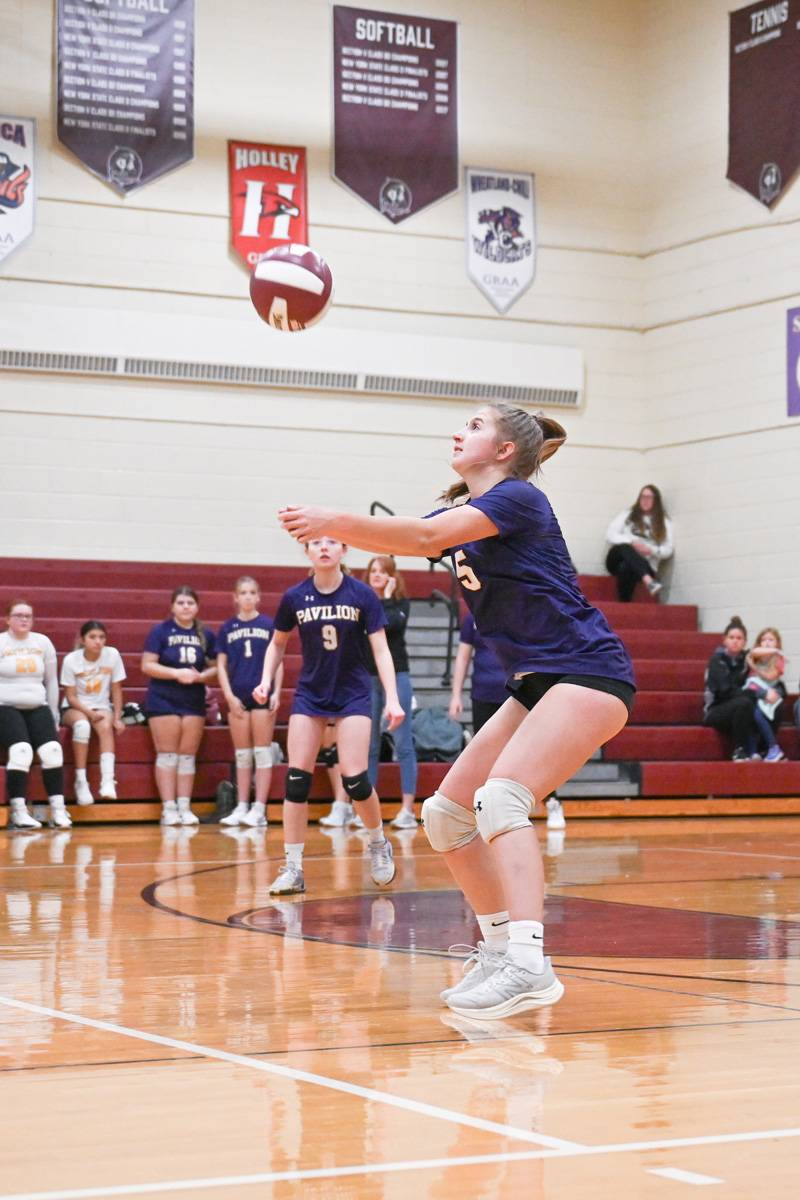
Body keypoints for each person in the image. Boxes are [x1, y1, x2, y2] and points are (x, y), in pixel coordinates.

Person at [275, 403, 635, 1019]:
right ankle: (497, 948)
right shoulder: (460, 512)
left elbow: (421, 538)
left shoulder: (520, 498)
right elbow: (418, 532)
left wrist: (330, 519)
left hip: (588, 671)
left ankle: (528, 961)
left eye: (474, 425)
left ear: (503, 450)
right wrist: (345, 535)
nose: (458, 431)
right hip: (539, 681)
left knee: (501, 799)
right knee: (445, 816)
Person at [253, 537, 403, 895]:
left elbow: (381, 650)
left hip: (352, 694)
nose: (324, 548)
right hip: (311, 695)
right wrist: (265, 682)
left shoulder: (362, 595)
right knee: (296, 780)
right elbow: (277, 643)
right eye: (316, 543)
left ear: (344, 550)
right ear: (306, 552)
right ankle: (293, 867)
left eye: (332, 542)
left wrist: (393, 699)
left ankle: (379, 843)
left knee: (354, 779)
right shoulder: (295, 597)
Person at [449, 612, 565, 832]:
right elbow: (463, 656)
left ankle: (552, 802)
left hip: (518, 693)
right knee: (486, 755)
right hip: (482, 693)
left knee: (532, 752)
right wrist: (455, 694)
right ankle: (489, 811)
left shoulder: (515, 609)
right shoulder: (472, 617)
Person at [141, 586, 217, 826]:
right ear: (172, 606)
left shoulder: (205, 633)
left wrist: (201, 677)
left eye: (190, 603)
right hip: (163, 697)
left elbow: (217, 668)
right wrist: (176, 673)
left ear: (197, 607)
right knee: (167, 754)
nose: (186, 607)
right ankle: (169, 808)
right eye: (181, 602)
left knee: (187, 756)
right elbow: (148, 665)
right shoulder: (160, 631)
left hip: (193, 699)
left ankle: (184, 806)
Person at [215, 576, 283, 827]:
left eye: (252, 592)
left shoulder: (268, 625)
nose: (247, 596)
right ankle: (242, 806)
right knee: (242, 755)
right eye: (242, 592)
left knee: (262, 754)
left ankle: (259, 808)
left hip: (263, 695)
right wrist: (229, 696)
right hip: (238, 697)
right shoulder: (227, 628)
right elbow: (221, 666)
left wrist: (277, 693)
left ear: (258, 597)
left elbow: (278, 660)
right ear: (235, 597)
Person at [0, 599, 70, 829]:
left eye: (28, 616)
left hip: (37, 705)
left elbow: (51, 681)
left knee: (52, 750)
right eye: (18, 615)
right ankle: (19, 811)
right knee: (22, 751)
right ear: (8, 619)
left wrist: (53, 712)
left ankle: (58, 810)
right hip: (5, 706)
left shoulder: (43, 642)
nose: (23, 620)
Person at [364, 555, 419, 830]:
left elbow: (389, 626)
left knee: (403, 744)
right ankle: (368, 812)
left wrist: (386, 597)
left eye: (382, 571)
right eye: (373, 570)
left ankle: (407, 810)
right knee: (370, 746)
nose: (376, 575)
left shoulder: (400, 604)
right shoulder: (362, 603)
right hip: (369, 678)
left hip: (397, 677)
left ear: (391, 576)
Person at [61, 620, 126, 805]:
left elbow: (116, 689)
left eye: (101, 637)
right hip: (75, 707)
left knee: (106, 726)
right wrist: (89, 713)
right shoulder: (71, 660)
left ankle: (107, 780)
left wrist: (118, 717)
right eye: (92, 637)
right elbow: (71, 697)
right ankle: (81, 782)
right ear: (82, 640)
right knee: (82, 726)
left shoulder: (112, 655)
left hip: (102, 706)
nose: (98, 641)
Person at [702, 615, 760, 761]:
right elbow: (725, 691)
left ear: (745, 642)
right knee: (745, 702)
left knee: (762, 704)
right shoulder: (716, 660)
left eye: (739, 638)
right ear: (725, 640)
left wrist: (753, 666)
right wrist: (749, 693)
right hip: (715, 710)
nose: (735, 641)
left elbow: (768, 667)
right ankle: (739, 750)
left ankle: (763, 748)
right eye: (732, 637)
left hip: (737, 705)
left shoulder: (746, 660)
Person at [605, 484, 674, 601]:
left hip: (646, 565)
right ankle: (649, 581)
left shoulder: (664, 522)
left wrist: (651, 550)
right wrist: (632, 542)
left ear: (656, 500)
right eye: (643, 497)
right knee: (624, 547)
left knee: (625, 568)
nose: (645, 500)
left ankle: (624, 605)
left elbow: (668, 549)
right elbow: (610, 534)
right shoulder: (628, 514)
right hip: (617, 558)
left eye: (649, 497)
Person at [744, 627, 787, 762]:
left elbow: (770, 677)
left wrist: (755, 668)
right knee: (749, 708)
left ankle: (773, 747)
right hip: (755, 692)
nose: (767, 642)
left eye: (771, 640)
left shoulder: (779, 659)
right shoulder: (756, 655)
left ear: (777, 643)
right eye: (763, 640)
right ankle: (752, 751)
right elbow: (753, 652)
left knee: (758, 712)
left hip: (770, 692)